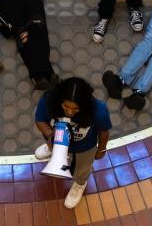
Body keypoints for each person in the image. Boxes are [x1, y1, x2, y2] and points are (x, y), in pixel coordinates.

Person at [34, 77, 111, 209]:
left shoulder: (99, 109)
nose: (69, 112)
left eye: (75, 109)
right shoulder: (48, 99)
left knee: (83, 167)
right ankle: (52, 150)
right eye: (66, 106)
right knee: (53, 146)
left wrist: (101, 149)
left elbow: (104, 132)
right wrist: (53, 138)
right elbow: (40, 121)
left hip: (84, 147)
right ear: (59, 101)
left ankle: (80, 183)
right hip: (55, 139)